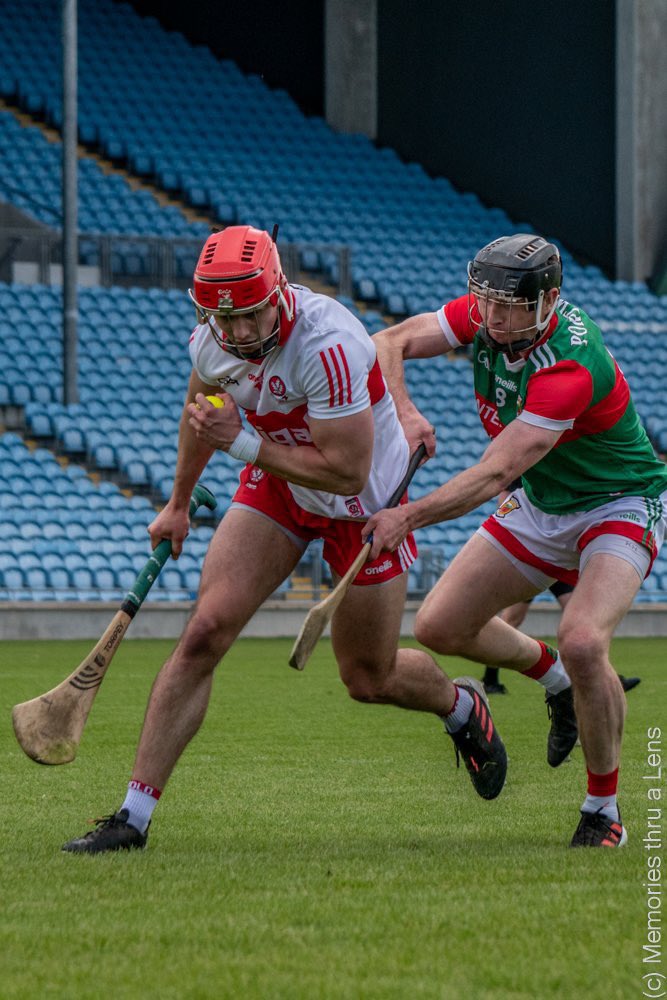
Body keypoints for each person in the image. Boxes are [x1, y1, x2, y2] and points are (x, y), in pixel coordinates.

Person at [62, 225, 507, 854]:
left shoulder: (328, 344)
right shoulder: (212, 341)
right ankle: (132, 818)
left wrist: (241, 442)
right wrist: (179, 503)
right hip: (281, 485)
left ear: (279, 294)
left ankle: (461, 709)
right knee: (204, 632)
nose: (240, 334)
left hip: (361, 503)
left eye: (251, 316)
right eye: (225, 319)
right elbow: (201, 413)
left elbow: (346, 469)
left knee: (367, 677)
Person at [364, 233, 667, 848]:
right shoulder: (482, 313)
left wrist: (407, 516)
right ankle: (555, 682)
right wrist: (405, 412)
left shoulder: (570, 366)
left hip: (618, 502)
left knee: (584, 640)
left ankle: (602, 810)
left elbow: (496, 471)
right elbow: (386, 343)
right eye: (487, 304)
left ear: (548, 300)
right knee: (440, 627)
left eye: (510, 307)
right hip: (542, 501)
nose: (494, 321)